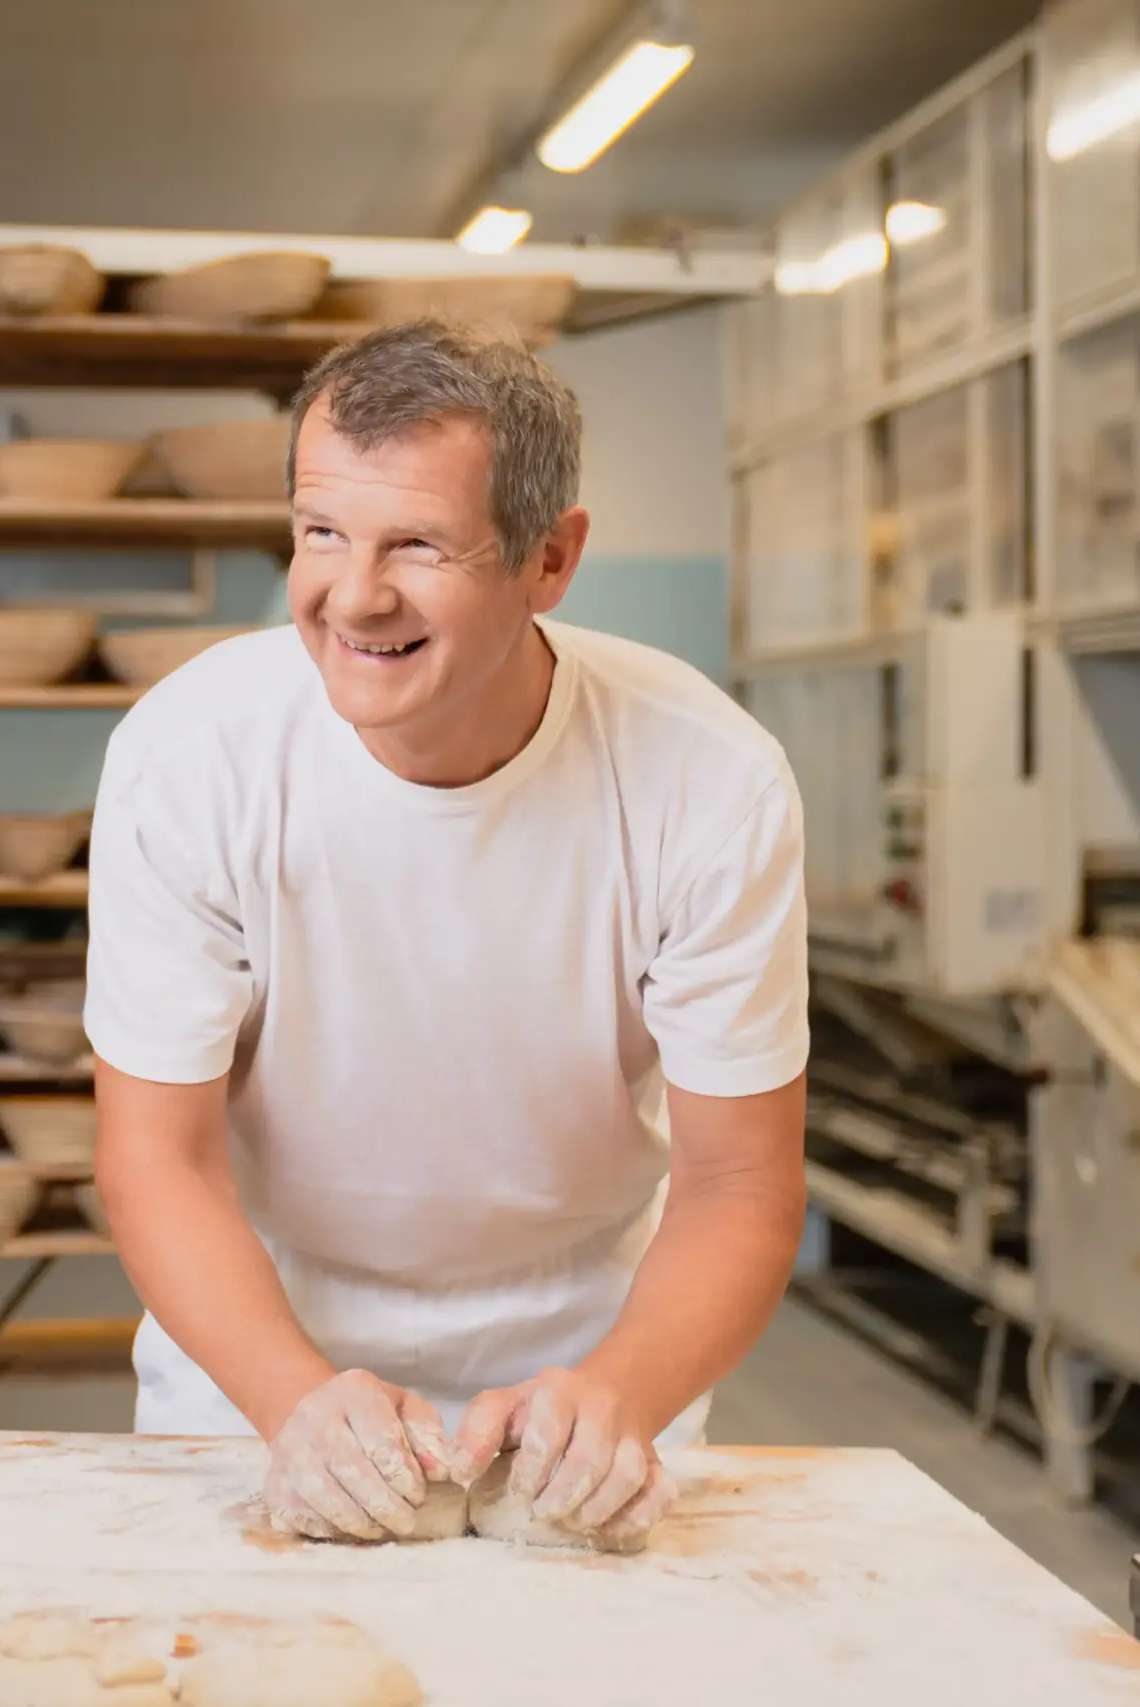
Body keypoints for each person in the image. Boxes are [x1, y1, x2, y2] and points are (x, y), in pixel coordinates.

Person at [86, 320, 809, 1543]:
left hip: (592, 1362)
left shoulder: (705, 780)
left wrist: (622, 1391)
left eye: (417, 544)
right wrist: (289, 1399)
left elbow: (738, 1181)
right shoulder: (189, 759)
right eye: (322, 532)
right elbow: (159, 1156)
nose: (352, 597)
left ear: (550, 559)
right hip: (258, 1351)